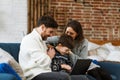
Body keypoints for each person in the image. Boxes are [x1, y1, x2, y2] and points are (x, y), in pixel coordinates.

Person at [19, 15, 70, 80]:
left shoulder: (42, 41)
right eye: (50, 32)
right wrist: (50, 56)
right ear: (43, 27)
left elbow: (45, 60)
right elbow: (43, 61)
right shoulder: (29, 39)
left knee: (81, 78)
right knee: (64, 77)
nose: (51, 35)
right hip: (34, 75)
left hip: (45, 72)